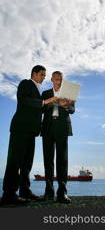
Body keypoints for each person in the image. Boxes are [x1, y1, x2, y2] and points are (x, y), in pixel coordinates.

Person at [1, 65, 58, 205]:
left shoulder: (38, 91)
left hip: (31, 132)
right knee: (14, 162)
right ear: (34, 74)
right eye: (42, 75)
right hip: (20, 129)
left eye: (45, 75)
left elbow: (38, 108)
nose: (44, 78)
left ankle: (24, 191)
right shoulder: (25, 83)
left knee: (27, 164)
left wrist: (52, 103)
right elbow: (23, 100)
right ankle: (8, 195)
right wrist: (45, 101)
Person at [42, 71, 75, 204]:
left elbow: (72, 110)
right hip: (48, 128)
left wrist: (66, 104)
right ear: (51, 79)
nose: (59, 82)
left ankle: (62, 193)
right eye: (56, 79)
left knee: (62, 160)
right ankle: (49, 193)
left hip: (62, 128)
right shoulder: (45, 94)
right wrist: (50, 102)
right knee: (48, 160)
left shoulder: (69, 92)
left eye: (61, 79)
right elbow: (41, 109)